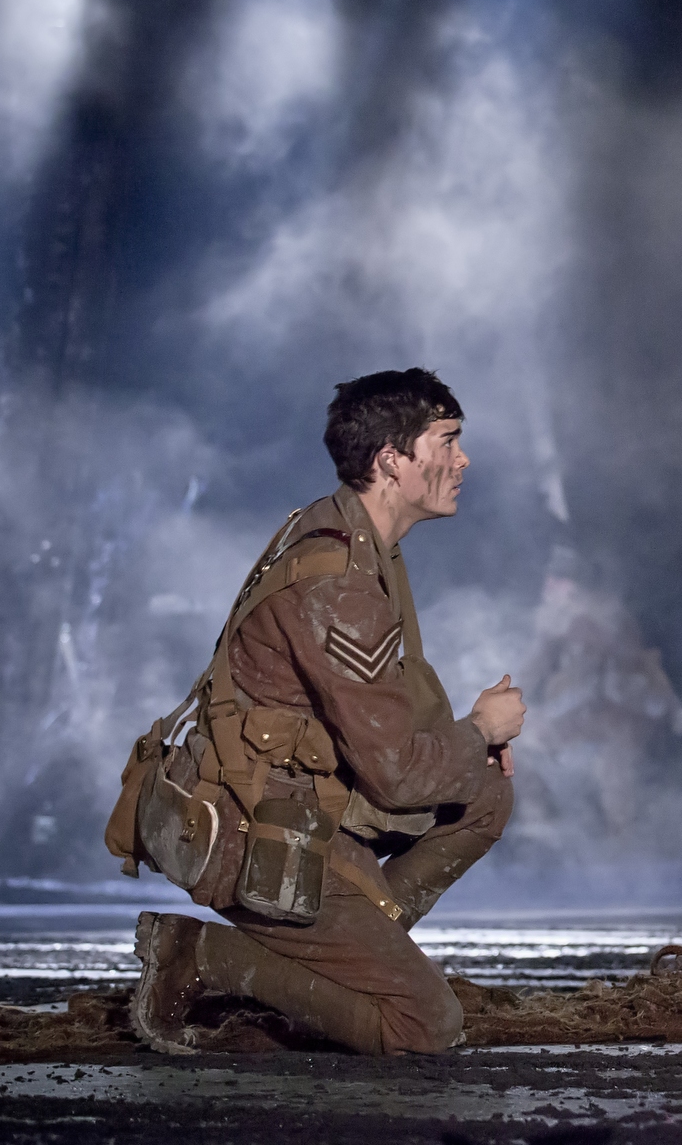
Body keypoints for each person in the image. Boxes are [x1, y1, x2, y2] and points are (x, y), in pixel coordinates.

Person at [127, 369, 527, 1056]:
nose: (463, 460)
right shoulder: (342, 580)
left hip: (297, 805)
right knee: (425, 1028)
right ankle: (201, 958)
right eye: (447, 441)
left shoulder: (350, 534)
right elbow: (397, 778)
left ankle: (351, 952)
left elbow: (384, 723)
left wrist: (469, 748)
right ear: (391, 461)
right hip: (253, 836)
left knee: (485, 792)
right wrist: (482, 728)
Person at [522, 546, 682, 841]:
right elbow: (531, 669)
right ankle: (542, 827)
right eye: (550, 580)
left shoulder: (613, 618)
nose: (550, 587)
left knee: (615, 760)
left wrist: (673, 704)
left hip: (621, 710)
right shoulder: (555, 623)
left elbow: (645, 667)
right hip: (577, 712)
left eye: (558, 581)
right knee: (513, 746)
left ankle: (621, 839)